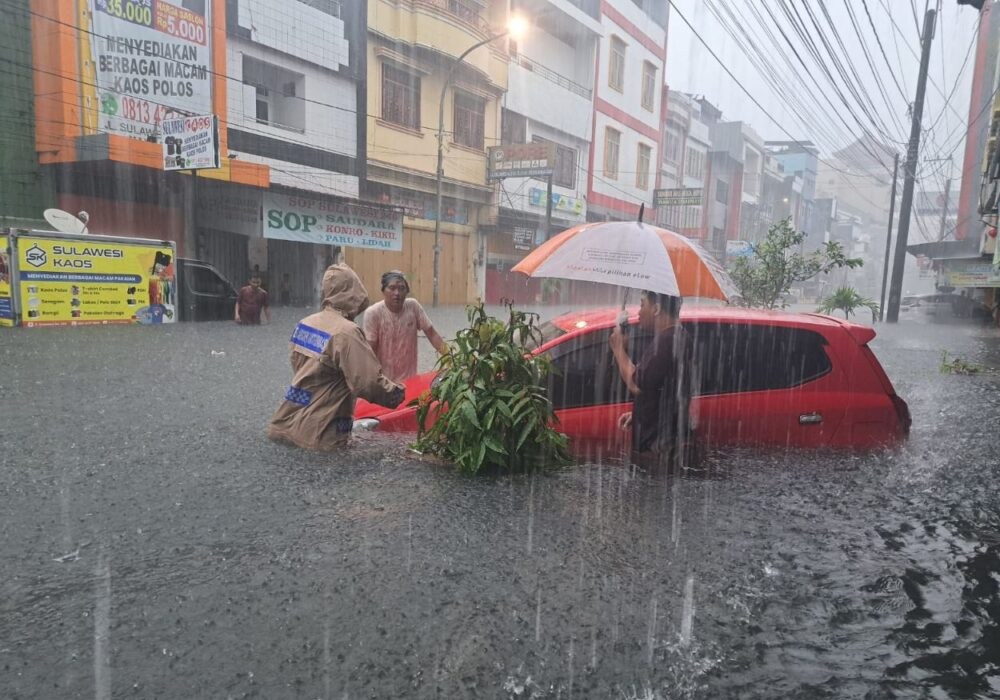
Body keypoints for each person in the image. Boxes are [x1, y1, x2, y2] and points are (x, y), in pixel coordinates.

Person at [268, 264, 405, 450]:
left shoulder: (305, 323)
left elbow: (300, 368)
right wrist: (400, 395)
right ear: (354, 291)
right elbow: (367, 383)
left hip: (284, 423)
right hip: (320, 434)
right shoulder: (347, 332)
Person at [609, 291, 695, 469]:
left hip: (658, 448)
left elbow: (636, 385)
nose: (638, 312)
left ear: (656, 309)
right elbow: (662, 388)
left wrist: (618, 349)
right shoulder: (679, 336)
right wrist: (642, 414)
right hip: (667, 441)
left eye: (642, 305)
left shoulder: (666, 341)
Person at [363, 270, 448, 383]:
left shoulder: (413, 307)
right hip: (384, 382)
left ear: (407, 291)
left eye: (401, 288)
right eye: (392, 288)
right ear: (383, 291)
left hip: (409, 379)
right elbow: (369, 350)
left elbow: (432, 335)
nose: (397, 293)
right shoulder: (373, 313)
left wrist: (451, 357)